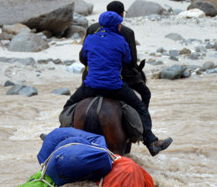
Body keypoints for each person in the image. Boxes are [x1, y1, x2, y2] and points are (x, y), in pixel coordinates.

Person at [63, 10, 172, 156]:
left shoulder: (89, 39)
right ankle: (151, 142)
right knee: (140, 108)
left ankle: (60, 137)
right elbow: (128, 60)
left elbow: (84, 57)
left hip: (91, 86)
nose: (120, 26)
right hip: (114, 86)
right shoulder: (121, 41)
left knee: (69, 106)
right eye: (119, 24)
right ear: (116, 25)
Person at [82, 1, 152, 109]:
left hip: (92, 76)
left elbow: (83, 58)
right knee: (145, 94)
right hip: (118, 79)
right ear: (122, 14)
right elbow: (131, 61)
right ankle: (145, 125)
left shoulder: (91, 30)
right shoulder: (126, 33)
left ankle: (67, 123)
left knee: (69, 106)